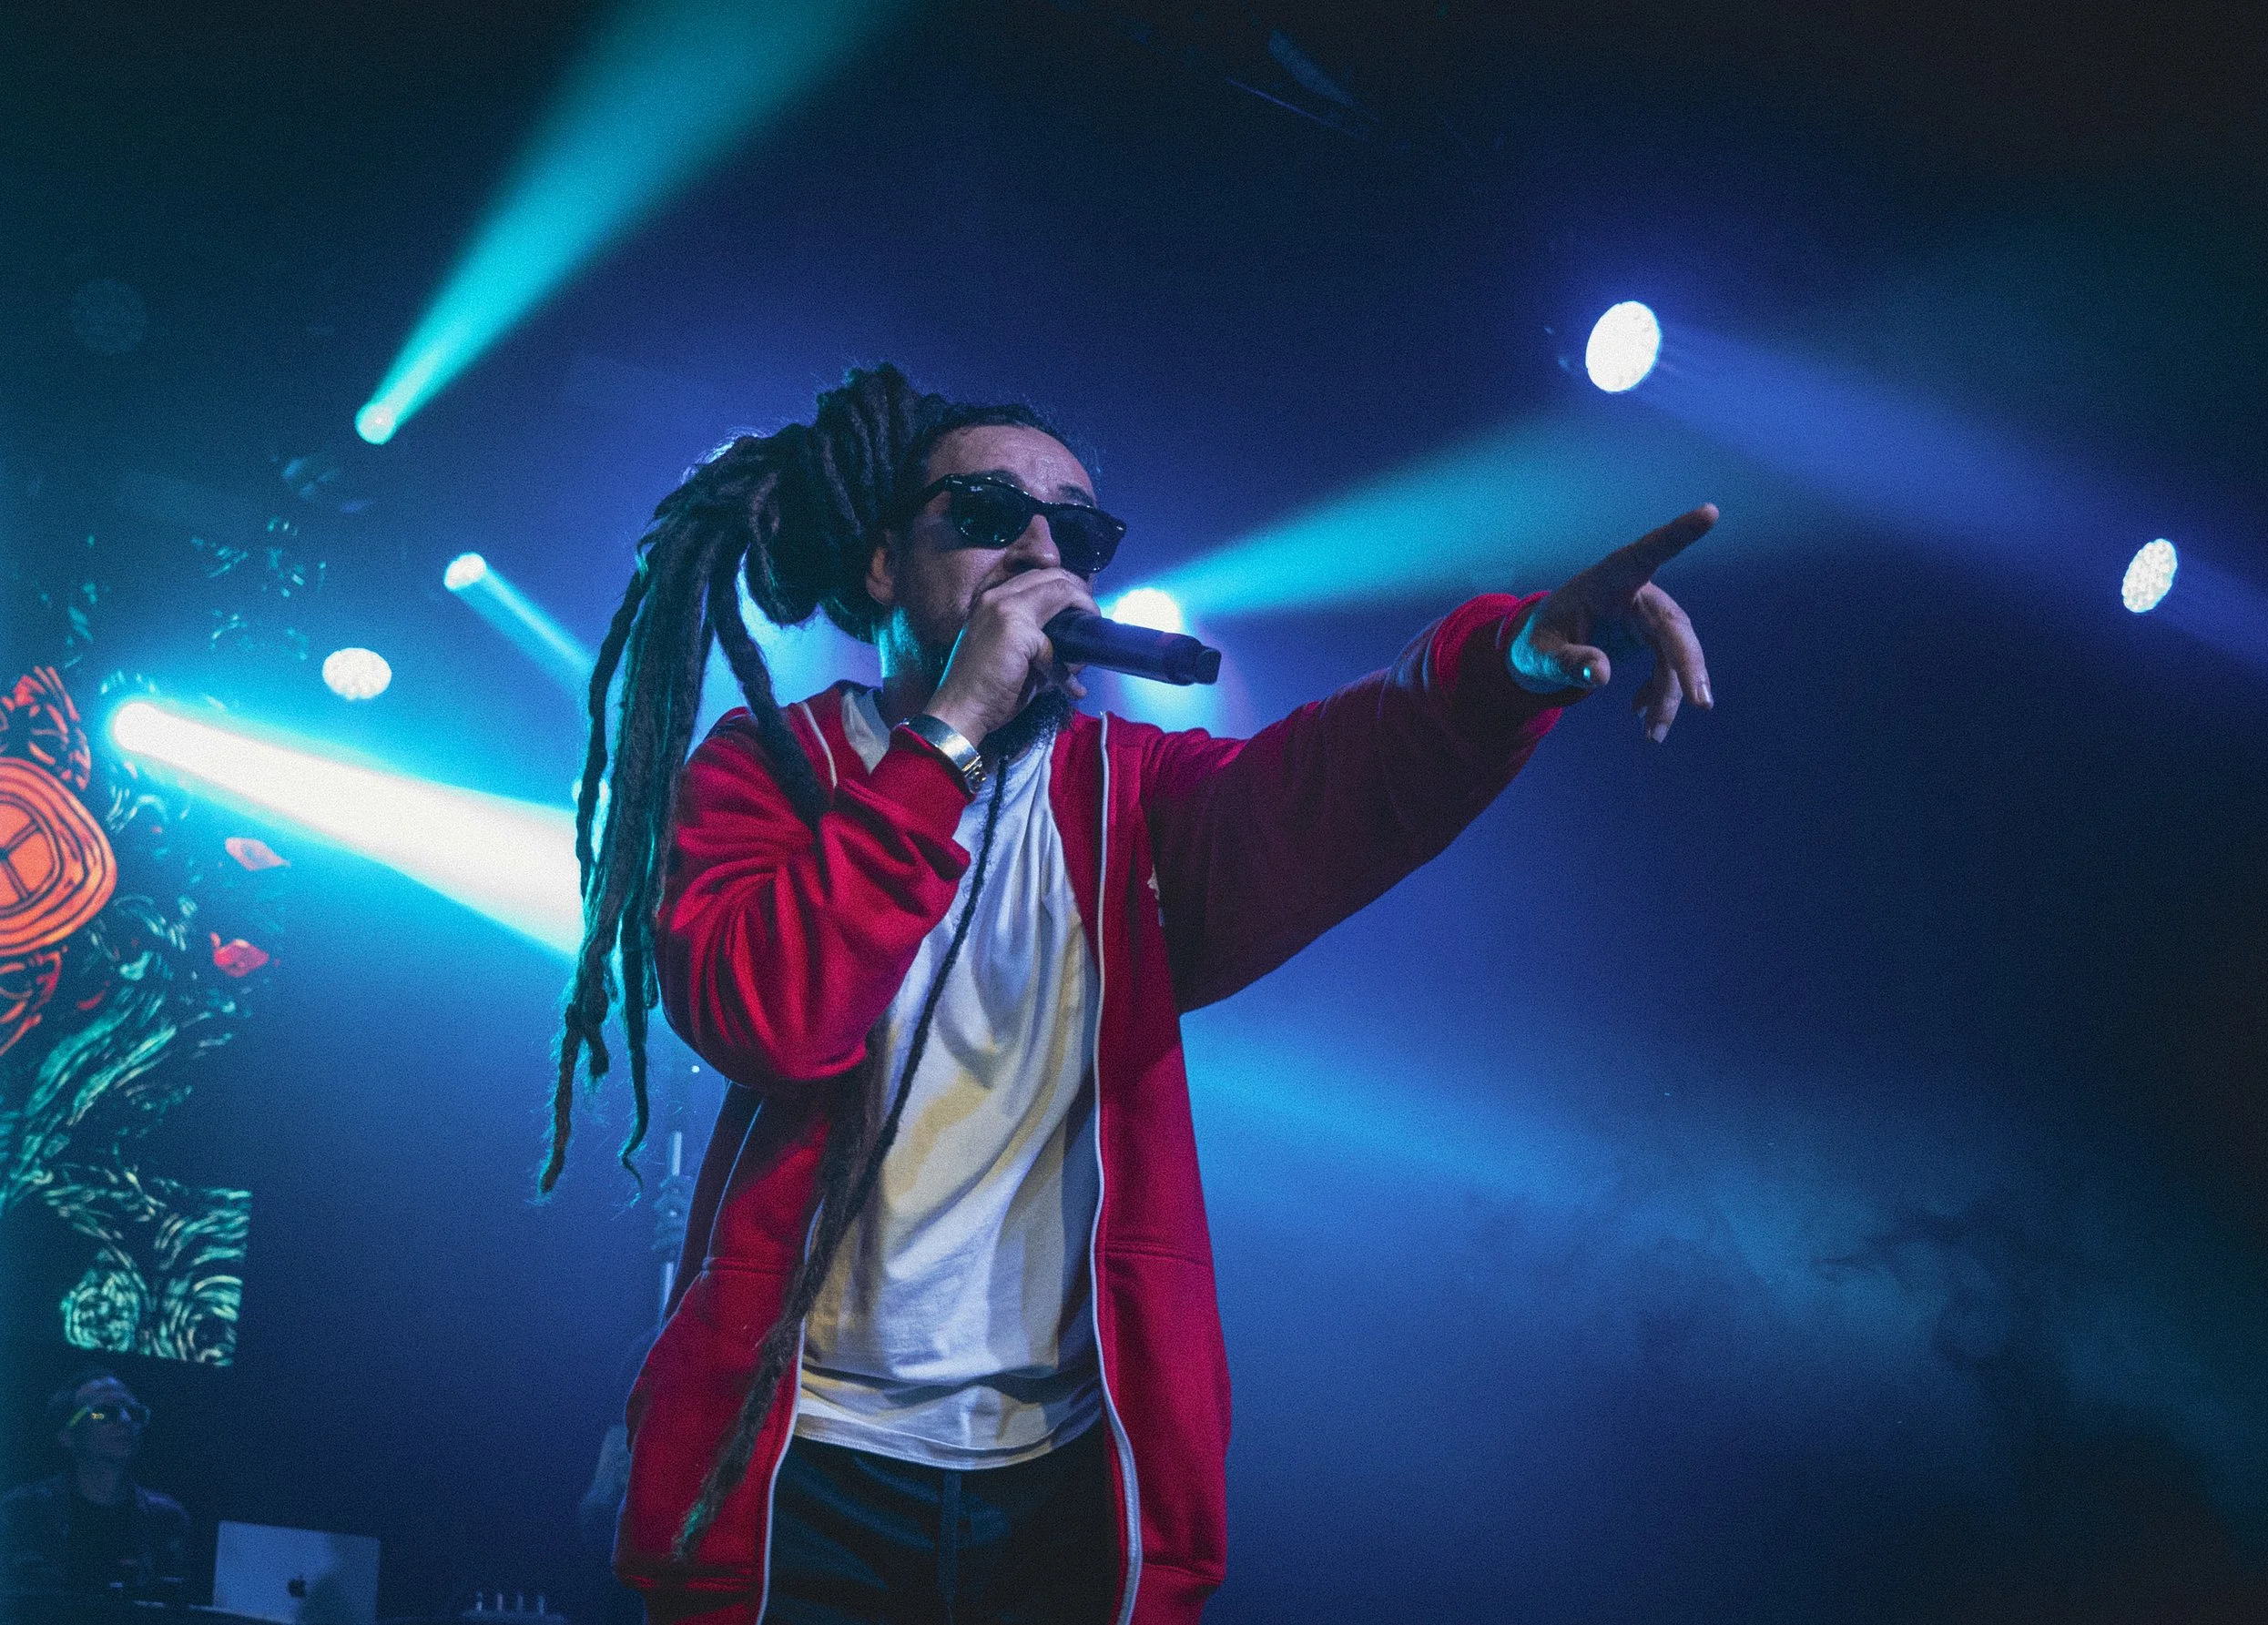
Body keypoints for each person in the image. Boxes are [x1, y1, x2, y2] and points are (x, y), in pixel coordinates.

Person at [548, 365, 1715, 1624]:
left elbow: (1340, 779)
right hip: (805, 1469)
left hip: (1060, 1490)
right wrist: (947, 736)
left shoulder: (1129, 794)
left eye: (1080, 532)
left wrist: (1514, 659)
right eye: (992, 514)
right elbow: (775, 1014)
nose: (1044, 551)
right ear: (884, 565)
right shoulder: (772, 770)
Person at [0, 1370, 191, 1597]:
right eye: (104, 1413)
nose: (126, 1420)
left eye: (135, 1413)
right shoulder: (25, 1510)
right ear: (67, 1436)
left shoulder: (165, 1518)